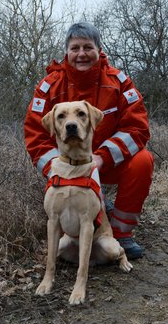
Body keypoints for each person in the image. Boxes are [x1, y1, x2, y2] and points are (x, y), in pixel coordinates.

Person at [24, 22, 154, 259]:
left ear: (99, 49)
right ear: (66, 52)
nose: (81, 54)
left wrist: (102, 158)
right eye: (75, 48)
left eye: (87, 47)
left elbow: (138, 127)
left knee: (143, 161)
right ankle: (74, 234)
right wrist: (62, 168)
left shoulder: (119, 82)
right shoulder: (48, 87)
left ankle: (120, 234)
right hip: (66, 170)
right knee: (68, 248)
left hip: (107, 163)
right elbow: (35, 137)